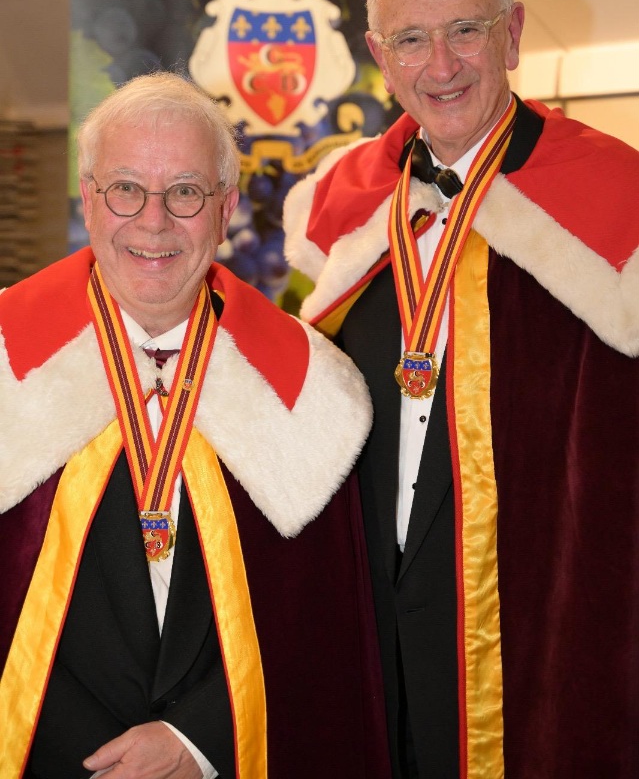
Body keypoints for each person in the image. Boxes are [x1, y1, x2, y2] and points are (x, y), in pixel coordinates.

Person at [283, 0, 639, 779]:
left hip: (537, 610)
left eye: (464, 30)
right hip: (369, 605)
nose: (440, 65)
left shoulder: (616, 201)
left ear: (510, 33)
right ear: (379, 55)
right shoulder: (346, 209)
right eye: (410, 39)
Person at [0, 71, 391, 779]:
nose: (153, 221)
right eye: (125, 188)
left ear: (224, 208)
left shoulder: (310, 390)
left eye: (184, 192)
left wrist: (200, 739)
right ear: (89, 198)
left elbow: (325, 614)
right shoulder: (6, 362)